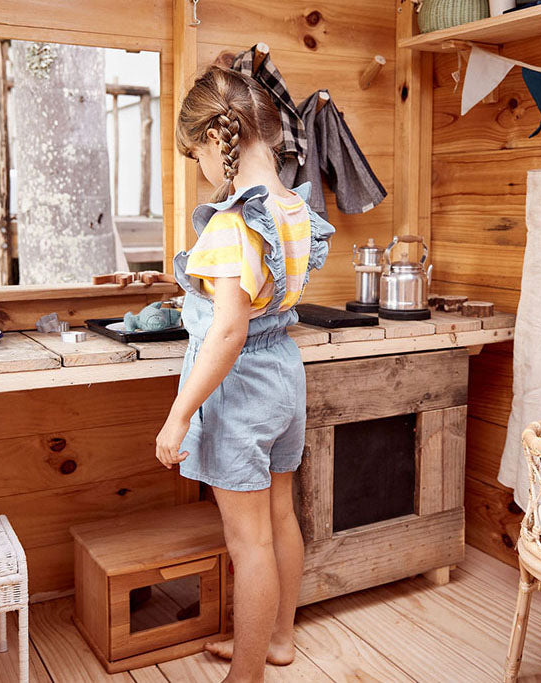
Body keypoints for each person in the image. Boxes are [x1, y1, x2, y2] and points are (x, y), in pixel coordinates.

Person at [142, 65, 335, 682]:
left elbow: (226, 333)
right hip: (283, 378)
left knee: (247, 542)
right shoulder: (293, 208)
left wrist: (179, 415)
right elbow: (256, 297)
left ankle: (245, 675)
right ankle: (277, 641)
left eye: (193, 151)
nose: (196, 164)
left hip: (240, 387)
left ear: (213, 141)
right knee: (281, 518)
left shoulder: (230, 224)